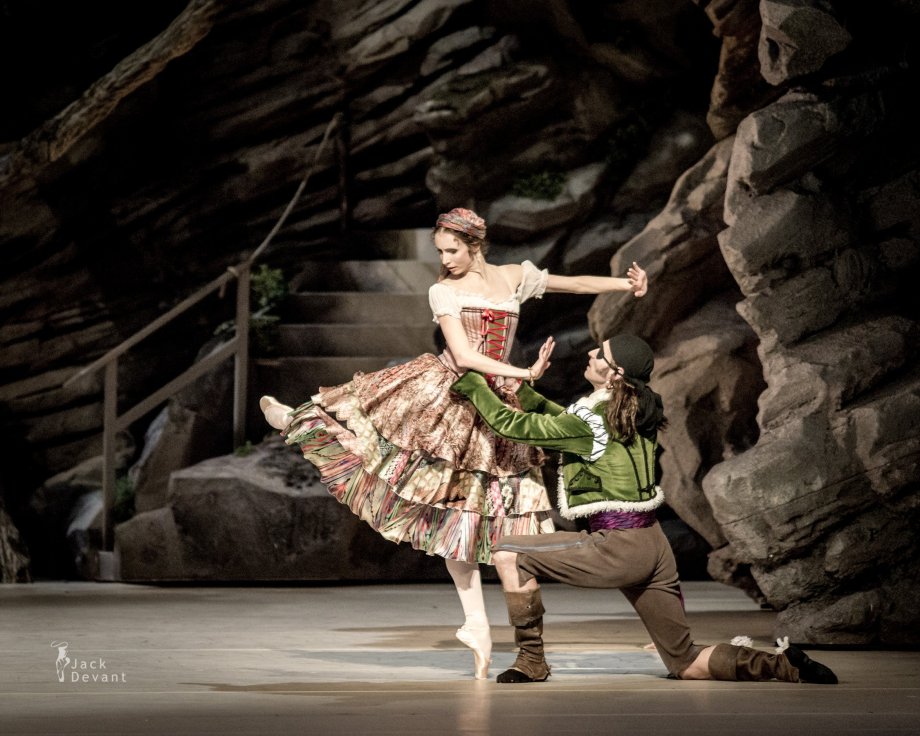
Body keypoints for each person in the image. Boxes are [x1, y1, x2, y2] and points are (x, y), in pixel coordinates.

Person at [259, 207, 648, 680]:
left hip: (499, 401)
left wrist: (626, 285)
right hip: (453, 392)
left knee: (490, 515)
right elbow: (464, 356)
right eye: (440, 251)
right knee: (406, 463)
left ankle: (505, 638)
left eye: (452, 250)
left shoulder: (512, 277)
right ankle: (300, 419)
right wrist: (524, 372)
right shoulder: (443, 290)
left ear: (475, 245)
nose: (445, 259)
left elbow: (573, 283)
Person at [450, 334, 838, 685]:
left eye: (600, 354)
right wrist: (523, 390)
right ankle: (784, 665)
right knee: (685, 661)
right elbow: (565, 423)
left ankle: (531, 659)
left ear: (615, 374)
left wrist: (471, 382)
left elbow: (512, 426)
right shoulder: (631, 409)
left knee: (509, 553)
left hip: (618, 545)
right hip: (654, 546)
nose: (590, 353)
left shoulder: (593, 421)